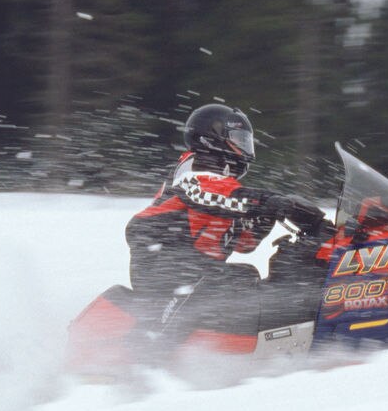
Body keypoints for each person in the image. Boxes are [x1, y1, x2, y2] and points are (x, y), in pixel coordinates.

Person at [125, 104, 329, 332]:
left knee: (244, 278)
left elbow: (244, 243)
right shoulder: (193, 174)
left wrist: (267, 219)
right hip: (160, 262)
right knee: (233, 280)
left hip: (190, 266)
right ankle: (156, 345)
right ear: (212, 139)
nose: (244, 148)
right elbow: (222, 197)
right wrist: (270, 202)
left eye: (246, 140)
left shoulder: (221, 189)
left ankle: (233, 345)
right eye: (238, 139)